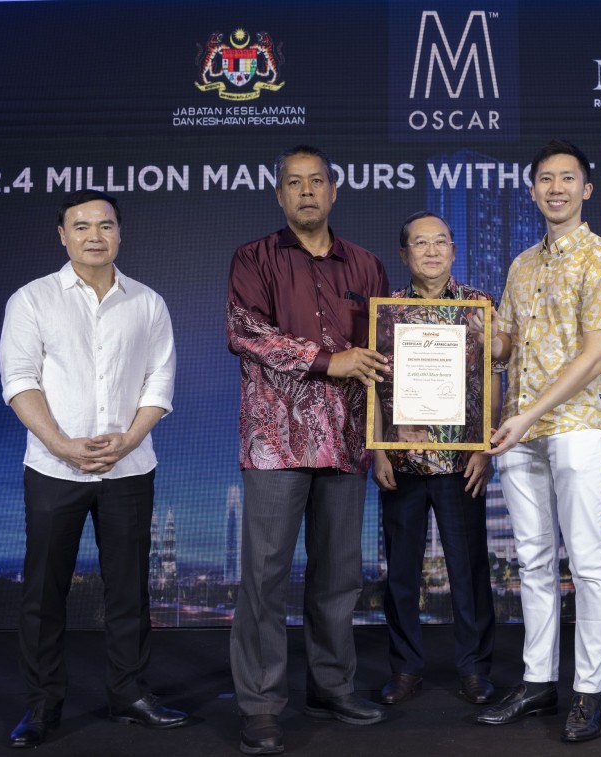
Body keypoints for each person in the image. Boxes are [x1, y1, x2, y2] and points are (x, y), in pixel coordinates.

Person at [0, 190, 186, 748]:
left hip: (130, 469)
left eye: (105, 225)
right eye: (80, 226)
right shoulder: (31, 300)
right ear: (63, 236)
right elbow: (19, 380)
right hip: (52, 470)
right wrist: (62, 444)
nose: (94, 236)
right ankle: (42, 706)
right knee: (44, 592)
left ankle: (129, 695)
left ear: (119, 234)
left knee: (129, 591)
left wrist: (128, 439)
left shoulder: (148, 303)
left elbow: (159, 382)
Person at [227, 145, 390, 755]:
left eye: (315, 181)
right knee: (265, 577)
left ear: (333, 190)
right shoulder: (254, 258)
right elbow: (247, 332)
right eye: (293, 183)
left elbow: (385, 348)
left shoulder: (367, 265)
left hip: (346, 441)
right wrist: (330, 360)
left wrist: (389, 434)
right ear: (279, 195)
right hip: (277, 442)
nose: (305, 192)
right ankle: (261, 706)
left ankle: (332, 687)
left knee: (338, 576)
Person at [474, 140, 601, 743]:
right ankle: (539, 681)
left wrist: (528, 414)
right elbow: (505, 346)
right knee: (532, 560)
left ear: (586, 189)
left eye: (567, 178)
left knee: (587, 560)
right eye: (545, 179)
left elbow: (596, 356)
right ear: (532, 189)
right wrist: (470, 332)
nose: (555, 188)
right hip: (519, 429)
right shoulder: (521, 266)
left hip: (575, 427)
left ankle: (590, 690)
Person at [372, 211, 500, 707]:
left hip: (461, 461)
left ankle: (475, 669)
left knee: (469, 571)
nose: (431, 251)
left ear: (453, 250)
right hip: (402, 462)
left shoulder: (479, 307)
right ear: (404, 254)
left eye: (440, 242)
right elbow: (373, 385)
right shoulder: (387, 311)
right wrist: (378, 449)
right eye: (420, 243)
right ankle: (405, 669)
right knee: (401, 575)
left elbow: (493, 377)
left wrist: (485, 445)